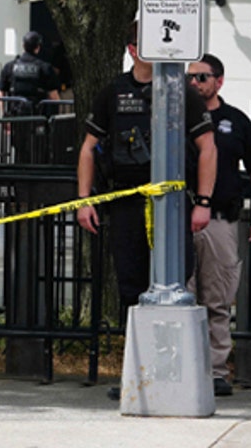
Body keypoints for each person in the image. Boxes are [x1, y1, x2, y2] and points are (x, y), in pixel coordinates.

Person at [74, 24, 219, 368]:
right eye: (149, 44)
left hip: (172, 205)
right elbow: (88, 149)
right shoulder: (114, 92)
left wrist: (203, 202)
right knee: (130, 284)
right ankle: (138, 369)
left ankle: (173, 365)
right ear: (134, 49)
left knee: (174, 283)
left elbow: (207, 147)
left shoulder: (181, 92)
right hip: (126, 202)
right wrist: (84, 199)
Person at [184, 53, 251, 398]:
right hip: (180, 219)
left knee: (217, 299)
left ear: (219, 81)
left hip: (220, 219)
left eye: (202, 77)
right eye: (189, 77)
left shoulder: (235, 121)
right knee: (181, 298)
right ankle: (184, 368)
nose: (194, 83)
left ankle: (217, 371)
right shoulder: (173, 118)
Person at [0, 30, 63, 114]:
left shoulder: (9, 67)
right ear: (38, 48)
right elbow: (54, 96)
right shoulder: (45, 68)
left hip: (15, 117)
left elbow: (1, 92)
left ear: (23, 45)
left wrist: (3, 114)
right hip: (37, 118)